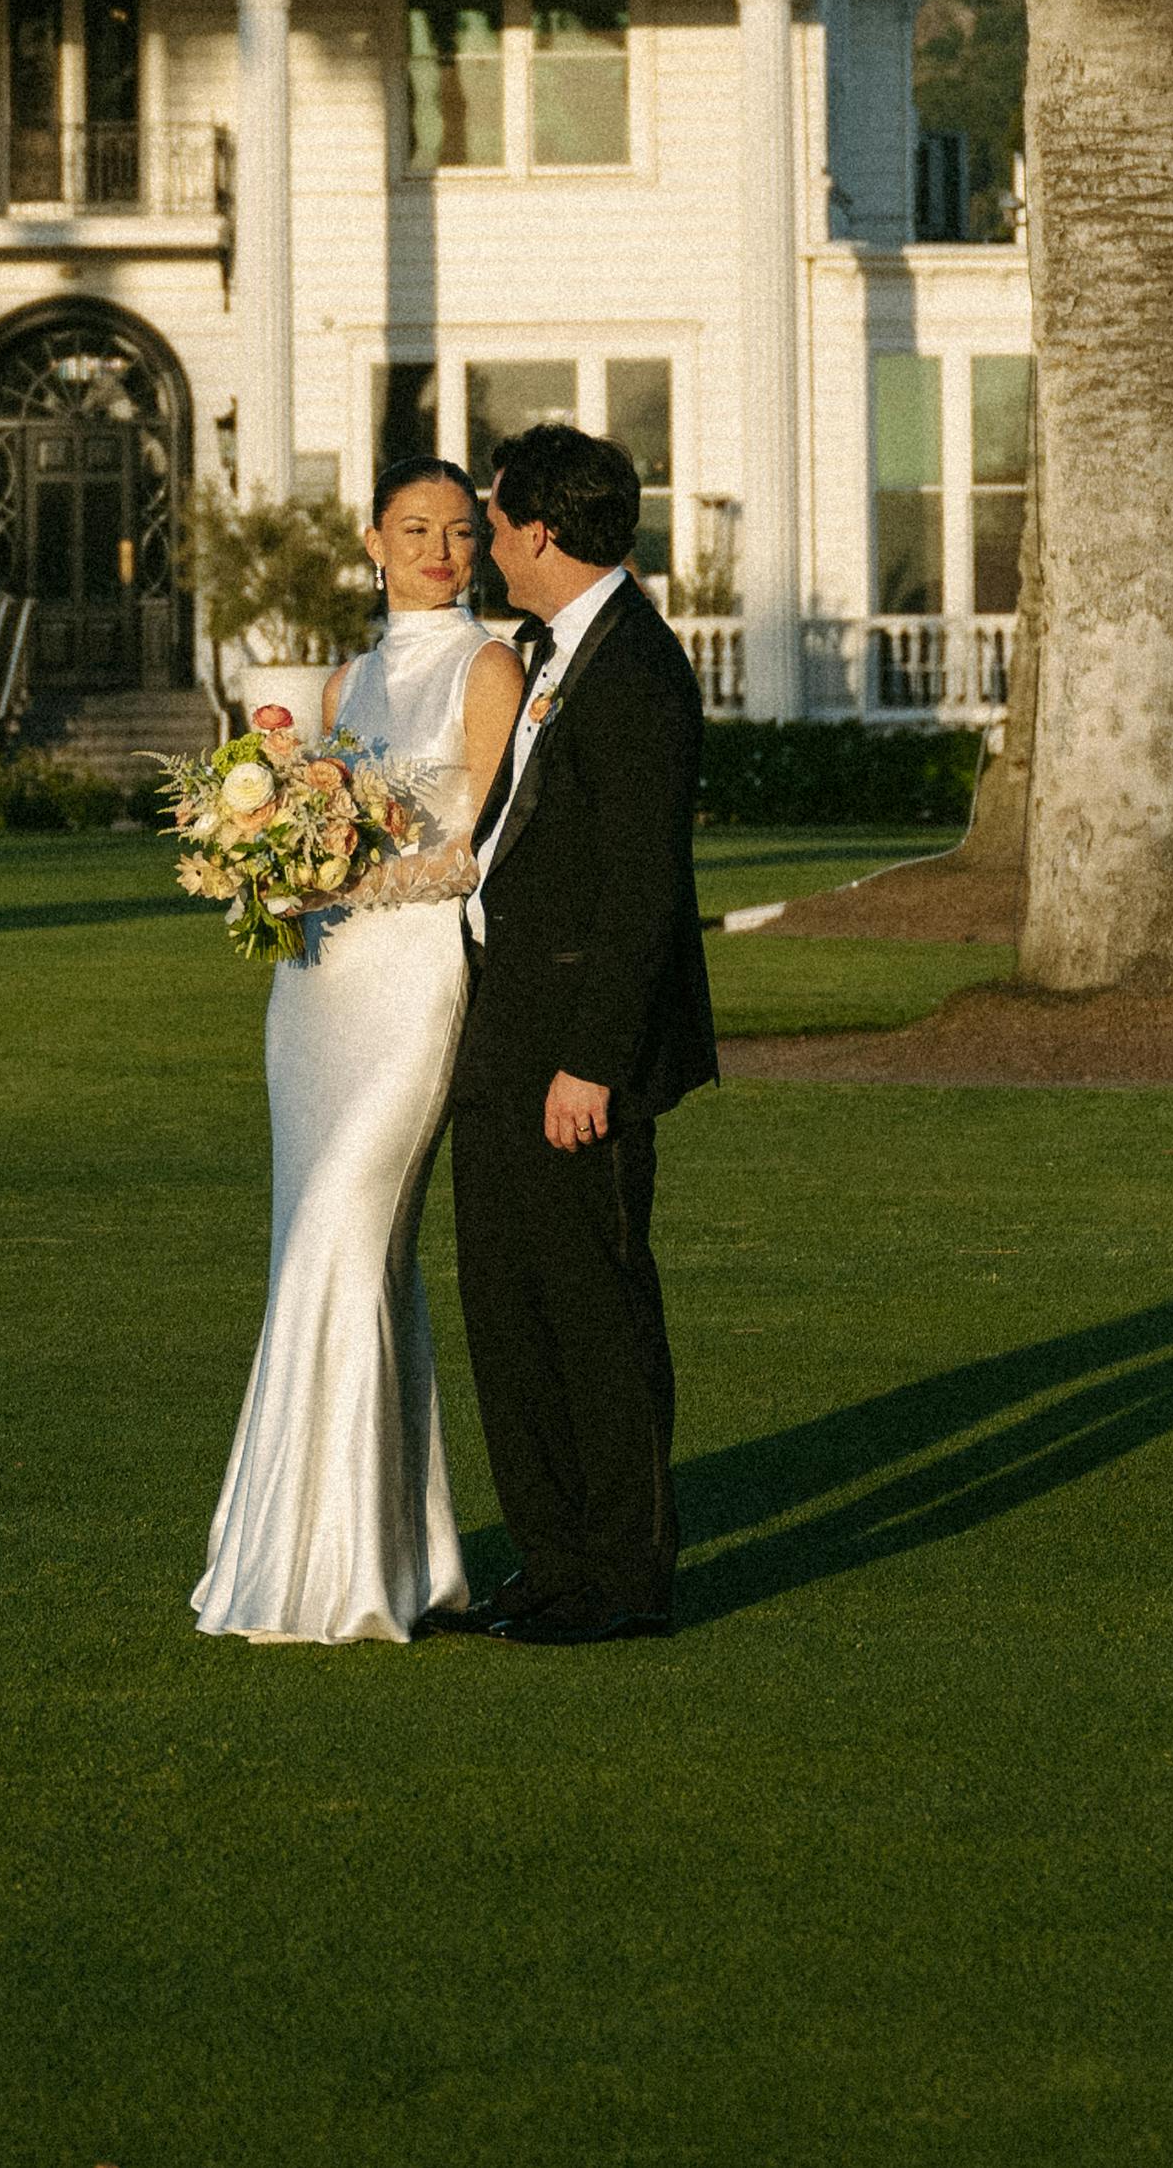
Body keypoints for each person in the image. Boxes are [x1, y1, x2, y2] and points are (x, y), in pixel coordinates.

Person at [190, 457, 525, 1646]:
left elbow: (477, 847)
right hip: (315, 991)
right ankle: (353, 1554)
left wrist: (345, 876)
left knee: (347, 1229)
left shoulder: (489, 667)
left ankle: (345, 1567)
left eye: (459, 531)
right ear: (371, 540)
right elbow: (316, 820)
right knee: (321, 1252)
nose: (439, 549)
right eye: (414, 527)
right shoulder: (345, 678)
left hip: (411, 985)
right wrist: (266, 867)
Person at [441, 419, 718, 1645]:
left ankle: (623, 1574)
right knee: (506, 1309)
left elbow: (641, 888)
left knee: (592, 1312)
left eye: (495, 521)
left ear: (541, 530)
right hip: (503, 1028)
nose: (484, 543)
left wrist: (590, 1063)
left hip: (575, 1053)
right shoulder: (549, 652)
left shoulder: (638, 669)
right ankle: (548, 1560)